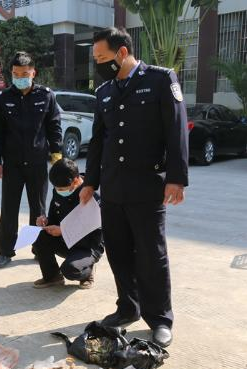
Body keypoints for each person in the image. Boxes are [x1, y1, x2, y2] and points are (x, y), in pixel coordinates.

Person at [80, 27, 188, 347]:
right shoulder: (104, 91)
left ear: (122, 52)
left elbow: (176, 130)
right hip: (113, 187)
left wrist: (176, 178)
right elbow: (98, 140)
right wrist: (90, 182)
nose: (98, 64)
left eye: (102, 57)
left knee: (152, 255)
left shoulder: (160, 80)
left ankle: (160, 318)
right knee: (118, 251)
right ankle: (128, 307)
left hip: (147, 186)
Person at [0, 51, 63, 269]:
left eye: (24, 74)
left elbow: (54, 127)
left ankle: (39, 248)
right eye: (16, 74)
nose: (20, 77)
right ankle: (5, 251)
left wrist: (56, 155)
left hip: (38, 162)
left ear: (33, 72)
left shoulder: (46, 95)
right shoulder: (3, 98)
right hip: (12, 164)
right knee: (9, 209)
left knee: (38, 209)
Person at [32, 159, 104, 289]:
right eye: (56, 188)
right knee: (38, 236)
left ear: (75, 181)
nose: (58, 191)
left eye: (61, 189)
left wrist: (63, 230)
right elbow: (54, 217)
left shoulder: (92, 195)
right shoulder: (59, 188)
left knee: (70, 270)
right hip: (65, 240)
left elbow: (93, 230)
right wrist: (45, 221)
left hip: (87, 246)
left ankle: (87, 271)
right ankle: (52, 277)